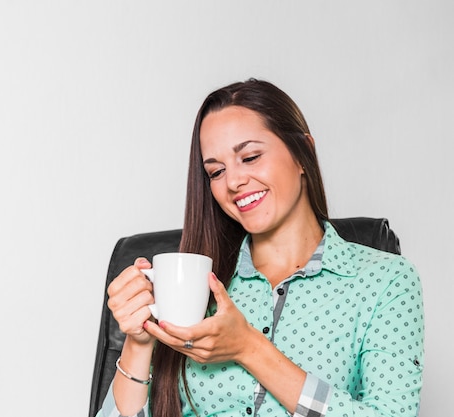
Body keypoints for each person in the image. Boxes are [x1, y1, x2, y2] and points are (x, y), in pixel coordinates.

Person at [96, 78, 424, 417]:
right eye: (217, 171)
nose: (234, 182)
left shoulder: (385, 281)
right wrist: (139, 342)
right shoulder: (193, 287)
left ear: (303, 153)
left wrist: (249, 348)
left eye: (250, 157)